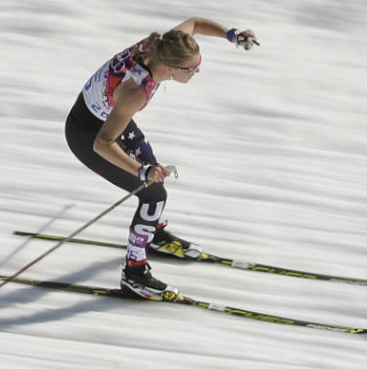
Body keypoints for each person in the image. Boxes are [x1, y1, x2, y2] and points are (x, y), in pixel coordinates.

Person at [64, 17, 259, 301]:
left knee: (151, 164)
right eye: (191, 69)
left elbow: (193, 24)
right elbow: (102, 144)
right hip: (88, 135)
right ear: (169, 68)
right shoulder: (136, 91)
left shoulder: (164, 46)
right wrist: (140, 172)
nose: (197, 71)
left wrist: (232, 34)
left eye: (198, 63)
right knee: (153, 192)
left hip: (108, 117)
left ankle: (151, 233)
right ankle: (134, 274)